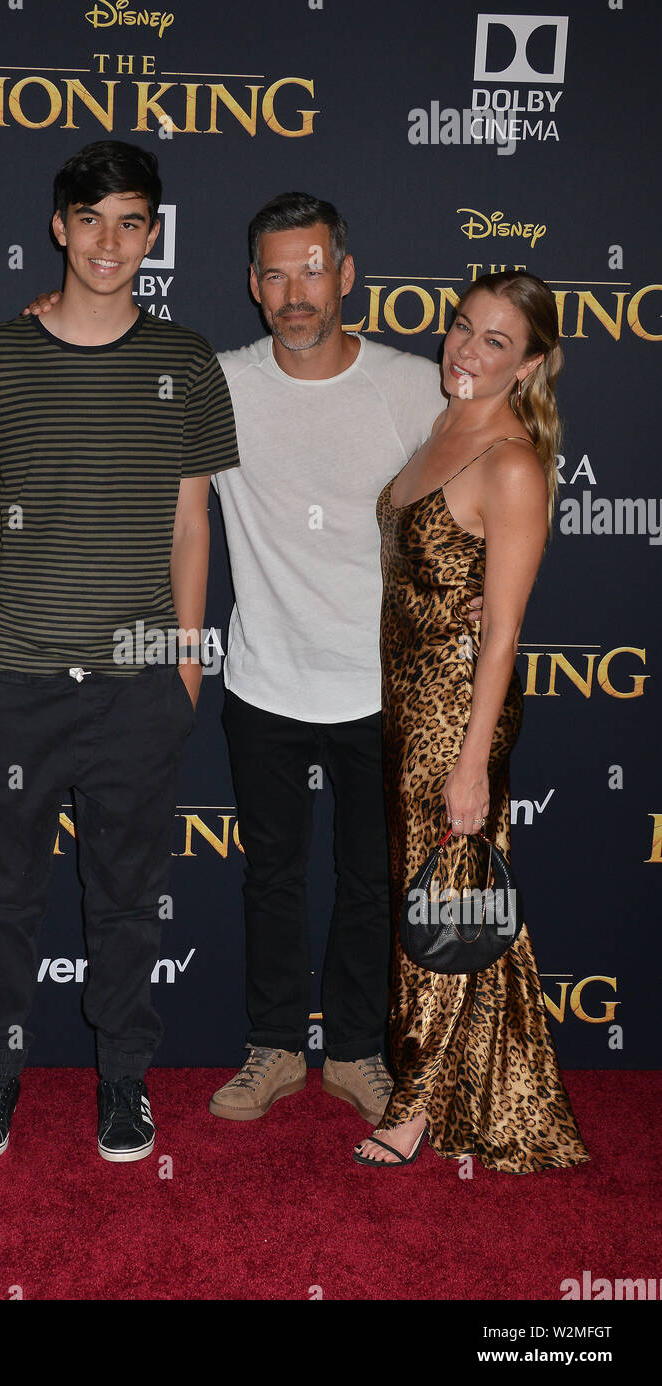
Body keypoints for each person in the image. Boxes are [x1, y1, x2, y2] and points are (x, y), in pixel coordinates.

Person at [24, 192, 447, 1128]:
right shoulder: (217, 381)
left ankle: (355, 1054)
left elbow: (498, 463)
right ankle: (270, 1049)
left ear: (344, 275)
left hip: (381, 692)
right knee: (271, 876)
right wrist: (49, 328)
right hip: (263, 684)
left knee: (370, 883)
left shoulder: (415, 388)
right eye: (272, 273)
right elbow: (114, 384)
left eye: (309, 269)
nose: (292, 291)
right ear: (251, 286)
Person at [0, 141, 239, 1164]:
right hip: (10, 681)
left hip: (138, 688)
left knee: (125, 902)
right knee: (2, 898)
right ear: (58, 226)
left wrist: (187, 665)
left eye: (133, 222)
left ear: (153, 236)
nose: (111, 241)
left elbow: (193, 526)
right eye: (93, 219)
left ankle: (123, 1085)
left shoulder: (186, 363)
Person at [354, 271, 589, 1170]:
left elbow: (504, 631)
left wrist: (471, 762)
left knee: (441, 901)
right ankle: (486, 1091)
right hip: (407, 704)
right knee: (456, 895)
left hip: (457, 712)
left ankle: (412, 1105)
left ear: (530, 364)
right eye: (462, 328)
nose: (466, 349)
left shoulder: (510, 461)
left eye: (495, 341)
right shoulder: (446, 422)